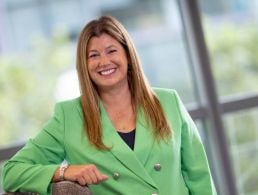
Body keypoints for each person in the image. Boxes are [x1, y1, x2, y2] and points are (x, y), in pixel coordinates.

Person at [2, 15, 217, 195]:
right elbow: (11, 172)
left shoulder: (168, 101)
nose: (104, 62)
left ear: (128, 55)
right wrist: (64, 171)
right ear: (85, 66)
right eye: (93, 55)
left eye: (112, 51)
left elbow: (199, 177)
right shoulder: (69, 117)